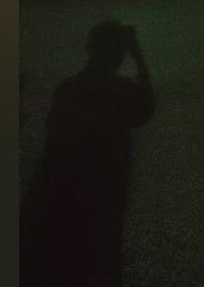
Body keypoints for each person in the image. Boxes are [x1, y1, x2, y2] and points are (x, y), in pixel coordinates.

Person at [21, 21, 156, 287]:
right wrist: (139, 56)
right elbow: (146, 107)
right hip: (104, 197)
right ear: (118, 53)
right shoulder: (120, 91)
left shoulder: (68, 89)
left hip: (62, 196)